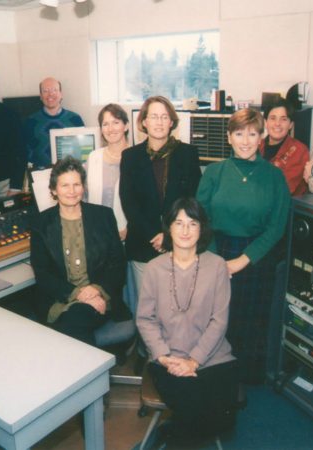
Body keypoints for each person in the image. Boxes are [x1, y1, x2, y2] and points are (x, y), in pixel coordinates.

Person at [197, 108, 290, 388]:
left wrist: (242, 260)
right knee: (216, 317)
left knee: (250, 320)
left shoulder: (274, 177)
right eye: (239, 133)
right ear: (229, 137)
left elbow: (277, 226)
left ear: (261, 136)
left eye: (252, 133)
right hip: (216, 249)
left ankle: (242, 380)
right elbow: (201, 218)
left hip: (255, 256)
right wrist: (216, 258)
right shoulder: (214, 172)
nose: (246, 140)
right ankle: (216, 373)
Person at [137, 197, 237, 448]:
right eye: (178, 223)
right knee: (192, 408)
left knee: (222, 418)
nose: (184, 231)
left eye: (192, 224)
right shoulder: (153, 268)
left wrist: (194, 361)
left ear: (201, 229)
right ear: (168, 227)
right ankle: (178, 432)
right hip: (167, 359)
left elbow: (219, 320)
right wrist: (163, 356)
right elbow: (145, 319)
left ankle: (173, 431)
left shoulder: (217, 266)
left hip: (212, 358)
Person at [30, 156, 131, 346]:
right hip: (60, 300)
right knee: (73, 322)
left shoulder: (103, 216)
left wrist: (96, 290)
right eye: (65, 185)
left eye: (76, 184)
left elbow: (117, 264)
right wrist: (78, 294)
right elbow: (42, 273)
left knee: (71, 325)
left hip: (100, 297)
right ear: (53, 190)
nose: (72, 191)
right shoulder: (41, 223)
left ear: (83, 187)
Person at [119, 95, 201, 308]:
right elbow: (129, 203)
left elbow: (192, 200)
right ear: (144, 122)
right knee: (147, 309)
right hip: (143, 245)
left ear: (171, 122)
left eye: (164, 117)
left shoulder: (188, 154)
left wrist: (169, 234)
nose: (159, 122)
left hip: (179, 243)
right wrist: (153, 235)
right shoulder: (130, 157)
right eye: (153, 116)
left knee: (178, 307)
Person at [86, 103, 128, 240]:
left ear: (126, 126)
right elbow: (84, 196)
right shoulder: (93, 157)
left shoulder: (136, 157)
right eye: (105, 124)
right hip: (97, 234)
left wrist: (129, 228)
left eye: (116, 122)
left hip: (127, 234)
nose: (110, 129)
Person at [25, 77, 85, 169]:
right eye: (45, 91)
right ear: (40, 96)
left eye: (54, 90)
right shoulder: (31, 121)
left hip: (69, 174)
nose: (50, 94)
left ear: (61, 94)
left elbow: (82, 151)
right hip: (40, 175)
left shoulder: (75, 119)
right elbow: (26, 152)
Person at [259, 97, 309, 196]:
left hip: (282, 207)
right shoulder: (255, 146)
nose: (277, 124)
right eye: (273, 118)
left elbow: (283, 188)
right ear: (265, 122)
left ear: (291, 125)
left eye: (284, 119)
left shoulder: (300, 151)